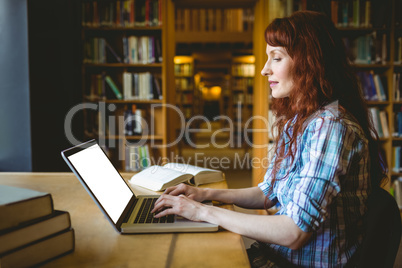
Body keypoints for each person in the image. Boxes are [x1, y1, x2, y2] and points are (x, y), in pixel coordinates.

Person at [152, 10, 387, 267]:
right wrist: (203, 193)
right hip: (277, 255)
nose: (264, 70)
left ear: (310, 62)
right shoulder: (299, 122)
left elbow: (293, 232)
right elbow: (268, 193)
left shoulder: (331, 128)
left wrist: (202, 211)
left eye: (276, 58)